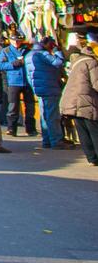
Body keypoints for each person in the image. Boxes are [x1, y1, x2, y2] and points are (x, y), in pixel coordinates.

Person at [60, 34, 98, 166]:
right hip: (85, 101)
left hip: (71, 100)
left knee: (82, 129)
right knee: (93, 129)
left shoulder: (76, 63)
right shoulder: (92, 63)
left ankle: (91, 158)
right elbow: (96, 83)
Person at [25, 36, 68, 149]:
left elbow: (29, 76)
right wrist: (57, 51)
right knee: (52, 116)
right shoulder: (43, 54)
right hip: (50, 88)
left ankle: (47, 140)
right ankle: (56, 141)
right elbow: (58, 62)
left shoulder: (28, 55)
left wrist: (35, 87)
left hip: (39, 89)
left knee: (44, 115)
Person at [0, 37, 37, 137]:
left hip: (27, 81)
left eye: (18, 40)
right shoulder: (6, 51)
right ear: (10, 41)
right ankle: (11, 128)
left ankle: (30, 128)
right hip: (13, 81)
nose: (16, 43)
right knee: (13, 106)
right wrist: (13, 64)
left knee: (30, 106)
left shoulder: (27, 50)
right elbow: (0, 65)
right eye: (14, 40)